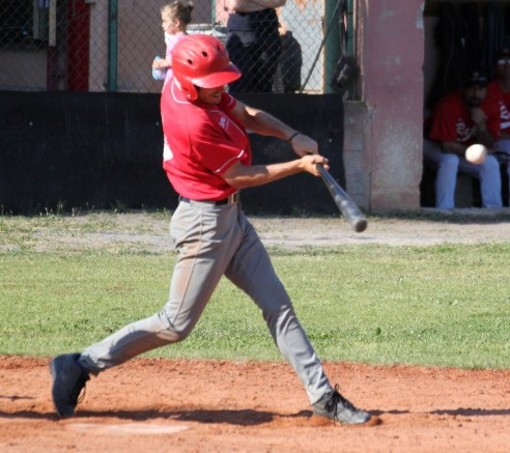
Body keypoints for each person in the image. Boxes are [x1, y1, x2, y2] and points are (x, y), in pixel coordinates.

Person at [50, 34, 372, 426]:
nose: (221, 89)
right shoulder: (192, 123)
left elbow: (246, 114)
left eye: (221, 80)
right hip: (205, 226)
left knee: (278, 307)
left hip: (231, 220)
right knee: (175, 324)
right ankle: (80, 363)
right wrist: (296, 167)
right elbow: (240, 176)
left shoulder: (194, 86)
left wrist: (291, 136)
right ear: (189, 84)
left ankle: (323, 396)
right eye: (211, 84)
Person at [423, 70, 503, 209]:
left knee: (490, 163)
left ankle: (493, 210)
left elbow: (490, 143)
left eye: (480, 89)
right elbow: (446, 146)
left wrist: (482, 127)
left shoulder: (491, 105)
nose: (475, 93)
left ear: (486, 90)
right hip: (431, 145)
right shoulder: (448, 104)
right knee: (450, 160)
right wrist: (473, 153)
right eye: (471, 88)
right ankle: (444, 210)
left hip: (462, 150)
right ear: (462, 89)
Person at [224, 0, 286, 93]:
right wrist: (265, 4)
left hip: (268, 30)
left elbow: (279, 1)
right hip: (240, 30)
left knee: (264, 86)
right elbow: (236, 4)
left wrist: (246, 4)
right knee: (240, 86)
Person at [151, 1, 193, 88]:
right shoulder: (172, 37)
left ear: (176, 23)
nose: (162, 25)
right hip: (171, 79)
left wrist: (164, 63)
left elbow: (185, 61)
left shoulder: (183, 41)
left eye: (165, 21)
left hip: (179, 83)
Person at [486, 48, 510, 199]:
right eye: (502, 61)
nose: (507, 65)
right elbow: (491, 133)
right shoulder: (489, 90)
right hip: (494, 141)